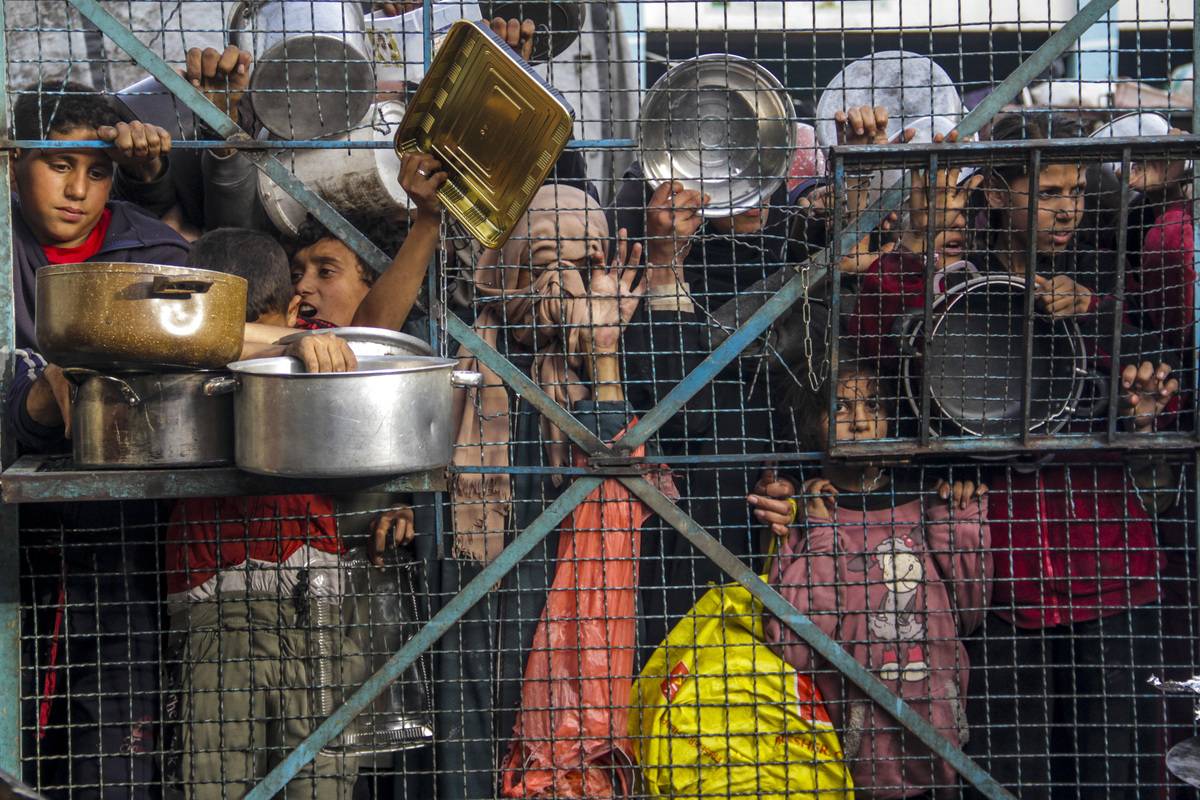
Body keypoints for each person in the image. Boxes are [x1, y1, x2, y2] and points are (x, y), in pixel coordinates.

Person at [422, 183, 646, 799]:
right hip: (472, 582)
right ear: (511, 257)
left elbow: (618, 472)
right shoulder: (453, 342)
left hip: (565, 586)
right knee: (468, 730)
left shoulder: (617, 348)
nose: (563, 286)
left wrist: (605, 353)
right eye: (546, 263)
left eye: (583, 267)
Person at [165, 228, 400, 800]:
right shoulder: (172, 342)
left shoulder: (318, 343)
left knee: (320, 781)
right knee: (218, 782)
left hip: (314, 600)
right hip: (219, 608)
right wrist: (280, 341)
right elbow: (191, 338)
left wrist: (425, 223)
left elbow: (382, 328)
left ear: (293, 308)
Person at [6, 80, 188, 800]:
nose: (79, 189)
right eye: (59, 164)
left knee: (112, 744)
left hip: (123, 530)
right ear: (12, 160)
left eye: (99, 169)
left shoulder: (156, 251)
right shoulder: (5, 250)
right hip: (16, 528)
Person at [751, 354, 991, 798]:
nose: (859, 422)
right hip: (851, 753)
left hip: (940, 741)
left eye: (873, 407)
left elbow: (971, 611)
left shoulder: (926, 503)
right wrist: (820, 534)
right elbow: (793, 649)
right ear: (812, 424)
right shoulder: (805, 516)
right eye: (839, 408)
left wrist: (958, 519)